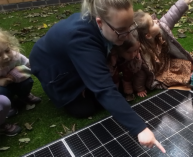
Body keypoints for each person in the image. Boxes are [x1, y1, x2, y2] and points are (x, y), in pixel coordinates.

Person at [29, 0, 165, 152]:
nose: (127, 36)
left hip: (73, 55)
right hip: (53, 68)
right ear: (100, 22)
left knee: (110, 93)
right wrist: (140, 129)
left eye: (129, 27)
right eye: (121, 30)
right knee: (84, 110)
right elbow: (104, 88)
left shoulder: (104, 24)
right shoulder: (81, 39)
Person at [134, 0, 193, 90]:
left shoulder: (162, 29)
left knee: (188, 64)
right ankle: (185, 81)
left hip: (168, 63)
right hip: (160, 73)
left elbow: (171, 16)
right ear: (148, 35)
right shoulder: (143, 53)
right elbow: (140, 73)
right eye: (152, 23)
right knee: (175, 79)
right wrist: (140, 88)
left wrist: (183, 3)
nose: (156, 20)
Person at [0, 28, 41, 118]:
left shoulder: (14, 56)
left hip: (15, 80)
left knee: (27, 81)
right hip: (2, 86)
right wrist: (2, 81)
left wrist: (16, 74)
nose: (6, 57)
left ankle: (25, 96)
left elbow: (30, 64)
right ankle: (8, 105)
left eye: (7, 51)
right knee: (2, 91)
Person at [109, 31, 148, 101]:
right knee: (114, 76)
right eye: (129, 52)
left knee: (129, 69)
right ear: (119, 49)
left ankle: (127, 88)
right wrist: (113, 64)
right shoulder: (110, 57)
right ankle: (115, 92)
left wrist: (140, 89)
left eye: (135, 50)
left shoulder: (136, 55)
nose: (133, 55)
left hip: (127, 68)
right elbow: (110, 73)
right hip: (114, 70)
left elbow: (138, 72)